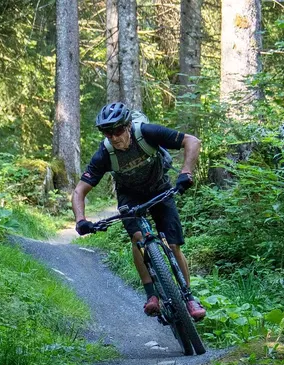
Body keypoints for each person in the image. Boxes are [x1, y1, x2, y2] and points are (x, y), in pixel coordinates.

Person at [71, 102, 206, 321]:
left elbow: (192, 141)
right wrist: (81, 220)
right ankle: (151, 295)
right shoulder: (105, 154)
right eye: (107, 132)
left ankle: (188, 297)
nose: (114, 137)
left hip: (160, 189)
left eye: (117, 130)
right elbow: (79, 191)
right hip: (129, 196)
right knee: (138, 238)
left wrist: (186, 172)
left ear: (127, 125)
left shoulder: (147, 133)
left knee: (173, 244)